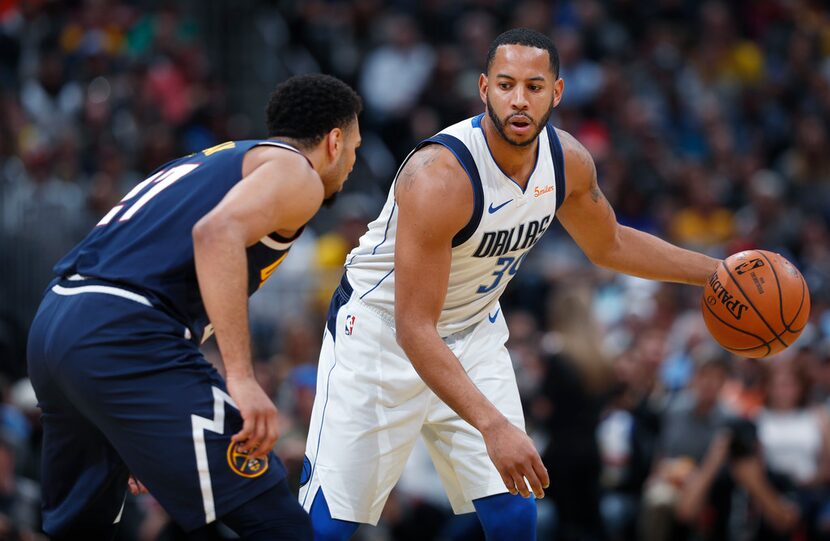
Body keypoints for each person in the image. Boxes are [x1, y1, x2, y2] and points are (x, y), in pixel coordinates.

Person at [299, 28, 720, 541]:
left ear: (557, 93)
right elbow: (414, 327)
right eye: (506, 84)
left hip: (472, 330)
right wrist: (492, 424)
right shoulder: (440, 176)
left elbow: (609, 244)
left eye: (535, 86)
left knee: (515, 511)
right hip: (383, 335)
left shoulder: (567, 162)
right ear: (483, 88)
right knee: (328, 528)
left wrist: (716, 273)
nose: (519, 99)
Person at [26, 74, 362, 540]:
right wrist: (240, 378)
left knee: (85, 529)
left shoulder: (219, 160)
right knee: (278, 524)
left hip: (59, 321)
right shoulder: (296, 173)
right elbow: (215, 234)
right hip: (122, 330)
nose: (351, 165)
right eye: (355, 150)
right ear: (335, 140)